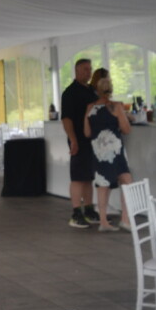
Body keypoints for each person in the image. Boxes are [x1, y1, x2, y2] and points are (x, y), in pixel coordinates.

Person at [84, 77, 133, 232]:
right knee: (126, 180)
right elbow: (126, 129)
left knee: (102, 184)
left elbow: (87, 132)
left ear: (97, 90)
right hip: (115, 150)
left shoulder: (90, 107)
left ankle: (104, 221)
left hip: (99, 151)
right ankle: (125, 219)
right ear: (111, 90)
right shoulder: (116, 106)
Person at [61, 58, 100, 228]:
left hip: (92, 141)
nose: (88, 72)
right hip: (78, 140)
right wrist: (73, 140)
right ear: (76, 71)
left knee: (88, 177)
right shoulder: (70, 93)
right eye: (85, 69)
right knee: (77, 177)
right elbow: (66, 119)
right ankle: (76, 213)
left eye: (90, 69)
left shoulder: (91, 90)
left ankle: (89, 210)